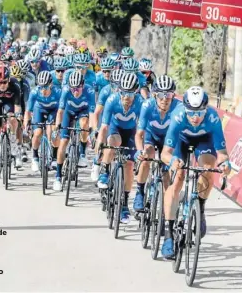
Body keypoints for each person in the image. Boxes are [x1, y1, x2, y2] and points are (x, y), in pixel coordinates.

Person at [160, 86, 231, 259]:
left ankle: (200, 206)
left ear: (206, 109)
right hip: (181, 142)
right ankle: (168, 235)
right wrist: (172, 161)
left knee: (208, 169)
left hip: (204, 142)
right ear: (185, 109)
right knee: (177, 179)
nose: (195, 117)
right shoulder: (177, 116)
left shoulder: (213, 118)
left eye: (199, 112)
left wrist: (225, 165)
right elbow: (164, 153)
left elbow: (222, 154)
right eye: (191, 113)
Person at [96, 73, 143, 224]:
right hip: (114, 130)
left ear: (136, 92)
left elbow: (143, 131)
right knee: (111, 143)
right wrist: (99, 150)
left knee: (129, 165)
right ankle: (105, 170)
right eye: (123, 92)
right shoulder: (112, 100)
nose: (126, 97)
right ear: (118, 91)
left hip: (131, 133)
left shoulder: (141, 103)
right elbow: (103, 128)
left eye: (130, 93)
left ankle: (124, 203)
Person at [133, 75, 180, 212]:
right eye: (160, 95)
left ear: (173, 95)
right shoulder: (147, 105)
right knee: (147, 156)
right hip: (150, 136)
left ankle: (167, 210)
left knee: (167, 176)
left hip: (168, 140)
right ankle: (140, 193)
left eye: (169, 94)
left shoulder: (178, 107)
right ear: (154, 95)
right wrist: (139, 151)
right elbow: (139, 134)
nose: (165, 98)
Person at [53, 71, 96, 191]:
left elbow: (92, 114)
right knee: (62, 143)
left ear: (83, 85)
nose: (75, 91)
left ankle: (82, 153)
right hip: (68, 113)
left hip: (83, 111)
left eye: (78, 88)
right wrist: (57, 127)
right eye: (73, 88)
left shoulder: (89, 91)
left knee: (84, 124)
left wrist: (93, 130)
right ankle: (57, 176)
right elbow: (60, 112)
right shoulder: (66, 90)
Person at [0, 66, 23, 177]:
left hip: (9, 102)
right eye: (0, 82)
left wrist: (17, 115)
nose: (2, 85)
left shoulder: (15, 84)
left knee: (12, 118)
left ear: (8, 80)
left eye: (4, 82)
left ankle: (13, 143)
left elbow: (17, 106)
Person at [24, 71, 61, 172]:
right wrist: (26, 125)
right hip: (39, 110)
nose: (43, 90)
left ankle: (54, 157)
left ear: (51, 84)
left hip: (53, 111)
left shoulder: (58, 92)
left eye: (45, 87)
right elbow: (28, 111)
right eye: (40, 87)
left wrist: (58, 125)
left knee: (54, 132)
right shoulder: (35, 92)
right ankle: (35, 157)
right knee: (37, 133)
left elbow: (62, 110)